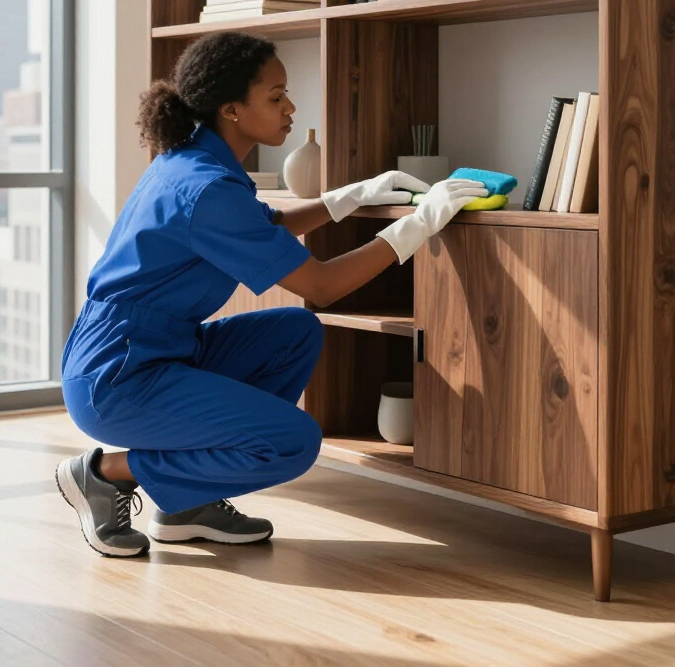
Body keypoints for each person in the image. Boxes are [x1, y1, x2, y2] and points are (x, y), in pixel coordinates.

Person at [56, 30, 486, 557]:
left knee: (293, 332)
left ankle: (186, 503)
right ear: (233, 109)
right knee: (293, 440)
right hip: (118, 376)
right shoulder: (205, 187)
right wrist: (417, 227)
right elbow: (322, 286)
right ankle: (104, 472)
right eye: (277, 97)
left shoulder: (198, 164)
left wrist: (349, 198)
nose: (291, 108)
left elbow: (268, 225)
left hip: (155, 351)